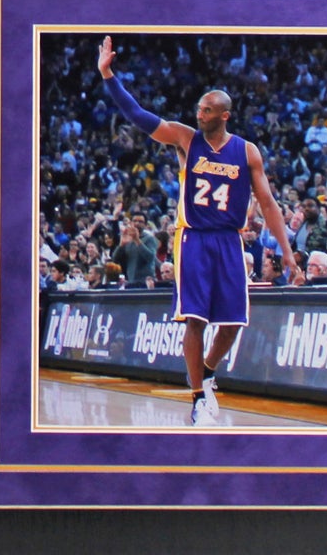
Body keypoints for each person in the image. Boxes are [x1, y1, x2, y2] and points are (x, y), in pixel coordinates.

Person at [98, 34, 303, 426]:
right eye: (199, 108)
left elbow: (268, 204)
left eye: (207, 110)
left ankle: (207, 371)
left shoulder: (247, 151)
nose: (200, 114)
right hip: (193, 237)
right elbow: (138, 115)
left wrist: (288, 252)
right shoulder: (185, 139)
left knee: (233, 322)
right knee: (196, 319)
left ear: (224, 115)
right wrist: (109, 76)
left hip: (229, 239)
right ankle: (197, 399)